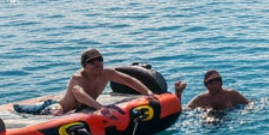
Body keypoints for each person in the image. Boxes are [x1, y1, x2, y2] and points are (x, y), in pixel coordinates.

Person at [14, 49, 184, 116]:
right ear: (84, 66)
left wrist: (147, 93)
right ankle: (19, 106)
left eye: (100, 60)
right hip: (62, 107)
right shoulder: (77, 78)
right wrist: (100, 108)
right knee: (36, 110)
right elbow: (80, 95)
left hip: (84, 107)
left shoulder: (106, 73)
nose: (98, 64)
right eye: (92, 62)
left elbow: (128, 80)